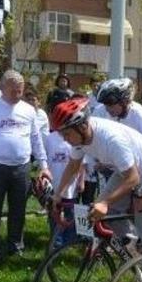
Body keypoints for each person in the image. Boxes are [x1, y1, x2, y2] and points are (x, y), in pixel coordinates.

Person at [50, 97, 142, 282]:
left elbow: (134, 178)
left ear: (81, 126)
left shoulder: (110, 138)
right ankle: (133, 243)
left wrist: (105, 202)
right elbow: (73, 165)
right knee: (100, 212)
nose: (65, 139)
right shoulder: (80, 138)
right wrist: (58, 194)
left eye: (67, 134)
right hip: (125, 171)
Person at [0, 70, 50, 263]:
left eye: (20, 90)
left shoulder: (29, 111)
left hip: (21, 167)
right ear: (3, 88)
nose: (17, 94)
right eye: (13, 90)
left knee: (18, 209)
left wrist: (44, 164)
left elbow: (36, 140)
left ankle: (15, 246)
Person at [41, 89, 81, 250]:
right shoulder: (49, 138)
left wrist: (81, 179)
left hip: (71, 186)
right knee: (55, 216)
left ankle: (69, 242)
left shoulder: (75, 136)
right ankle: (56, 244)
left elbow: (81, 161)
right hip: (55, 186)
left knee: (70, 215)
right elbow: (43, 161)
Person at [94, 78, 142, 154]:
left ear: (124, 101)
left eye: (110, 104)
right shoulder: (101, 111)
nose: (107, 109)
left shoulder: (141, 116)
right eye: (105, 104)